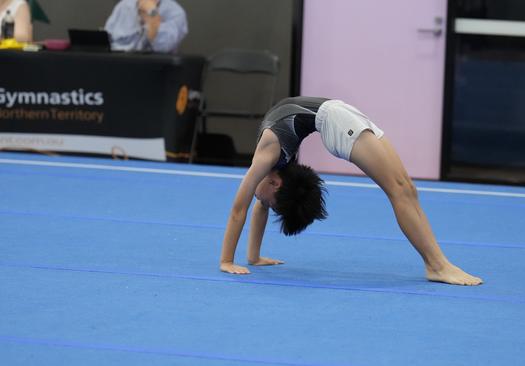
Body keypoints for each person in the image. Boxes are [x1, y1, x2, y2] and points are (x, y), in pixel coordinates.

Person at [219, 97, 483, 286]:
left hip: (337, 119)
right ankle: (436, 264)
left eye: (273, 205)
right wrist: (254, 257)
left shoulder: (267, 154)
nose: (262, 203)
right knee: (401, 189)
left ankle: (437, 265)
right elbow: (259, 206)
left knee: (404, 189)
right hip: (338, 114)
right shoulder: (275, 168)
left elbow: (238, 209)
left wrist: (227, 261)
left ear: (277, 184)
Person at [104, 0, 187, 53]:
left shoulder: (176, 12)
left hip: (155, 71)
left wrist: (152, 13)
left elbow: (163, 47)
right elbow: (106, 42)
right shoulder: (123, 6)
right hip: (121, 67)